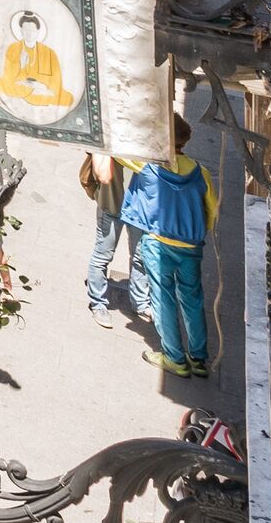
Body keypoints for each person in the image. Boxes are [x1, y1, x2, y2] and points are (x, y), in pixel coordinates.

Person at [120, 120, 220, 376]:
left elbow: (119, 150)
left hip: (158, 242)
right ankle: (198, 358)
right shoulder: (200, 172)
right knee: (193, 299)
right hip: (190, 244)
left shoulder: (147, 165)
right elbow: (211, 211)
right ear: (185, 142)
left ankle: (174, 357)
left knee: (163, 299)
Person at [78, 147, 132, 321]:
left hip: (138, 211)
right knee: (103, 255)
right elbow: (103, 175)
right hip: (111, 206)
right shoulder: (106, 138)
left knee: (139, 258)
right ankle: (98, 303)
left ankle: (141, 302)